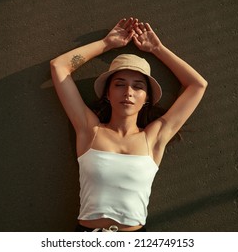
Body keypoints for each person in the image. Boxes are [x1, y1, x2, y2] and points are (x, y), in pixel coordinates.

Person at [50, 18, 208, 232]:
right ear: (107, 92)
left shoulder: (153, 138)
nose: (128, 92)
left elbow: (198, 85)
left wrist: (157, 49)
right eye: (119, 84)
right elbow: (59, 66)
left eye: (138, 86)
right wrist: (106, 44)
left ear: (147, 98)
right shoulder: (90, 130)